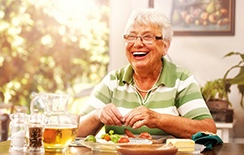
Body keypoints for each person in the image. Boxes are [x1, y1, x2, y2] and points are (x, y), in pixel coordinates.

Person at [76, 8, 216, 139]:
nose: (137, 44)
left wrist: (158, 119)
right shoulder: (113, 81)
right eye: (131, 36)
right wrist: (97, 115)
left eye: (147, 37)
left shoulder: (182, 80)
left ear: (165, 46)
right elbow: (75, 131)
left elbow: (208, 130)